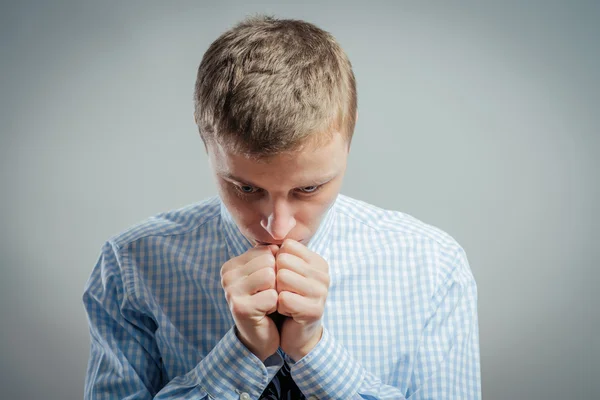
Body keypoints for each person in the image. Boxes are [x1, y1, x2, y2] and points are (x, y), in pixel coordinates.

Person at [83, 15, 482, 399]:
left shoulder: (434, 268)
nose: (278, 226)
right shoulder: (131, 266)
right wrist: (240, 353)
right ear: (205, 138)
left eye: (308, 188)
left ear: (350, 135)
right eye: (244, 187)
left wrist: (314, 353)